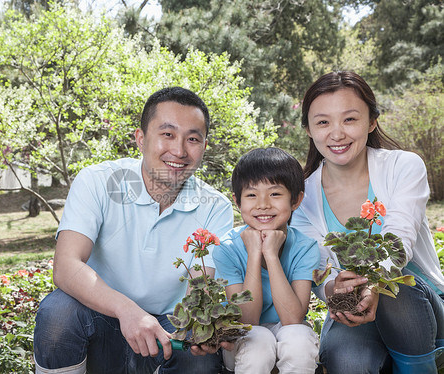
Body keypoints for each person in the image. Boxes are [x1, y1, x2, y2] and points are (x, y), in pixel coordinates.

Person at [33, 87, 234, 374]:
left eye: (192, 139)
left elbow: (201, 289)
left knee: (198, 357)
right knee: (59, 313)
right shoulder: (98, 181)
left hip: (167, 333)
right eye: (167, 134)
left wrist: (199, 326)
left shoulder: (216, 207)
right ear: (140, 139)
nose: (179, 151)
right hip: (99, 320)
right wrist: (127, 310)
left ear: (203, 147)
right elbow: (66, 266)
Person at [291, 70, 444, 373]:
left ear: (372, 121)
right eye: (323, 122)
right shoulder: (301, 195)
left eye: (349, 119)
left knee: (394, 288)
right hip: (354, 307)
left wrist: (374, 282)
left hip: (421, 306)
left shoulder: (403, 166)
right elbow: (319, 268)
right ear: (308, 128)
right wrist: (333, 289)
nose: (336, 133)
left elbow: (399, 239)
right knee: (348, 361)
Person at [213, 147, 320, 374]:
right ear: (238, 201)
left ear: (296, 200)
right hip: (245, 338)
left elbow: (293, 318)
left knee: (299, 336)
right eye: (251, 195)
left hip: (287, 329)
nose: (263, 204)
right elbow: (247, 319)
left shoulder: (305, 247)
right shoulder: (227, 248)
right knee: (259, 339)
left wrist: (270, 254)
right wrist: (254, 254)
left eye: (275, 194)